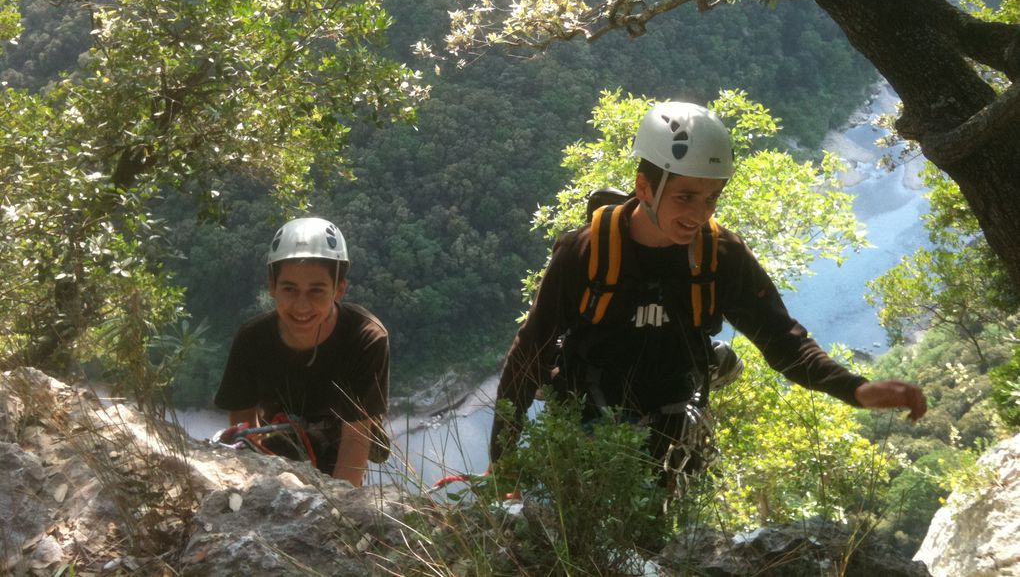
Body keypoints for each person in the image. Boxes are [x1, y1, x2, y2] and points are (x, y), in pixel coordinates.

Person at [489, 101, 926, 474]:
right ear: (644, 188)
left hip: (675, 430)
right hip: (587, 424)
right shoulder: (585, 253)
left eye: (711, 198)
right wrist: (502, 460)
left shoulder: (721, 255)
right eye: (685, 197)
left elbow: (781, 339)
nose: (698, 214)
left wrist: (854, 389)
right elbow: (531, 352)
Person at [215, 217, 389, 486]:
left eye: (316, 291)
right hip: (278, 451)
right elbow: (244, 433)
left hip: (339, 448)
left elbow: (356, 437)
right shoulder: (252, 340)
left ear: (339, 289)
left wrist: (340, 514)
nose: (301, 306)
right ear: (272, 286)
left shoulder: (365, 339)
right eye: (289, 289)